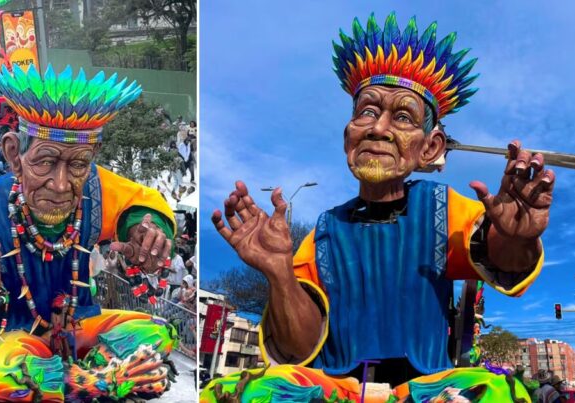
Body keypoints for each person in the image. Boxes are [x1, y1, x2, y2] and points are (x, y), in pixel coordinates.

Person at [204, 13, 553, 401]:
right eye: (367, 111)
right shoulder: (324, 229)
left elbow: (500, 256)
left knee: (498, 392)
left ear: (431, 147)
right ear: (348, 134)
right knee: (237, 392)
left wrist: (514, 237)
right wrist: (279, 273)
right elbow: (299, 349)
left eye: (403, 117)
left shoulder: (441, 206)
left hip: (425, 392)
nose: (378, 128)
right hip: (337, 391)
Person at [0, 65, 179, 401]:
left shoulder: (93, 188)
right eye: (46, 162)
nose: (62, 184)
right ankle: (101, 381)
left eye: (78, 165)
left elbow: (140, 204)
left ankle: (83, 380)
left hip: (81, 327)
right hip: (18, 336)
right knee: (4, 375)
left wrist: (144, 230)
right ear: (14, 154)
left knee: (157, 333)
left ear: (91, 160)